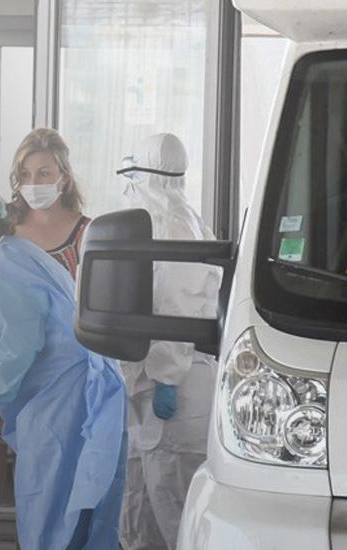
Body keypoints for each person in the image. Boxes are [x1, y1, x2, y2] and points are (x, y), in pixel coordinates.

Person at [0, 177, 126, 549]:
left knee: (52, 511)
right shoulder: (7, 255)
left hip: (60, 397)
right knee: (67, 508)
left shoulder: (1, 265)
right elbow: (2, 320)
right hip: (59, 393)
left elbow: (20, 343)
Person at [116, 134, 220, 550]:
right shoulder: (168, 221)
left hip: (174, 388)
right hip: (154, 388)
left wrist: (166, 377)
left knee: (174, 505)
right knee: (143, 498)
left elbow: (179, 310)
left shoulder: (172, 226)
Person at [10, 128, 92, 277]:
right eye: (25, 174)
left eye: (44, 174)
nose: (33, 183)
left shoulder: (84, 232)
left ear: (65, 177)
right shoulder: (4, 223)